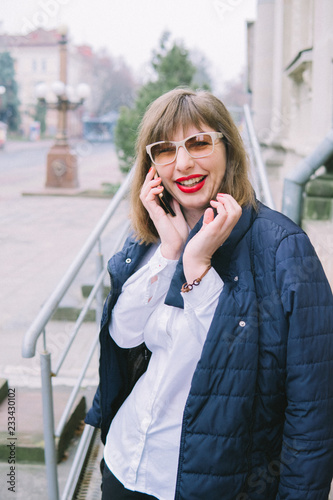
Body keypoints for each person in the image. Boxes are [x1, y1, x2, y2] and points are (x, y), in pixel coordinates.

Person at [85, 88, 333, 499]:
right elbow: (124, 337)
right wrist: (170, 251)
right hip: (126, 465)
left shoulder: (283, 249)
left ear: (228, 149)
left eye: (198, 143)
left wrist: (197, 265)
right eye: (165, 150)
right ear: (152, 167)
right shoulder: (147, 239)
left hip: (214, 485)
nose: (183, 163)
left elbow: (312, 412)